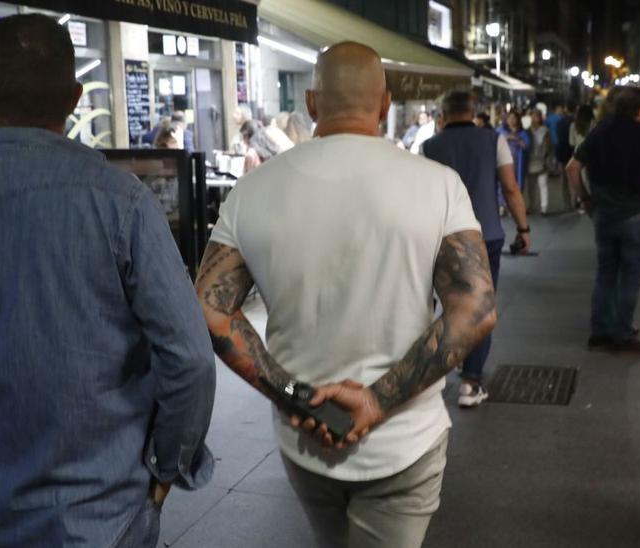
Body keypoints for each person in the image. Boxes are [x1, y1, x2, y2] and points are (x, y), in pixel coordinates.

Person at [0, 14, 216, 547]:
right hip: (108, 506)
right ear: (75, 99)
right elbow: (188, 359)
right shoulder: (123, 202)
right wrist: (169, 464)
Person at [194, 41, 496, 548]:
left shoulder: (252, 191)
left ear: (312, 104)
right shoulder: (438, 185)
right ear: (385, 103)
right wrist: (376, 401)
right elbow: (477, 307)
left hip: (304, 437)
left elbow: (209, 308)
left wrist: (296, 397)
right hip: (406, 440)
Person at [422, 91, 532, 408]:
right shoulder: (493, 140)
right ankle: (470, 382)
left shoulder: (430, 146)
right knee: (480, 307)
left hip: (439, 235)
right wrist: (523, 228)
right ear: (473, 111)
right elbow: (510, 187)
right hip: (486, 234)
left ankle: (435, 371)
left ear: (443, 113)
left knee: (444, 305)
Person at [566, 86, 640, 356]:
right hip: (638, 216)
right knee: (631, 279)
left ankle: (599, 331)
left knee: (606, 275)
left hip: (604, 217)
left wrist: (586, 199)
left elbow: (572, 168)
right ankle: (623, 333)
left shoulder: (598, 132)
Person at [525, 109, 553, 214]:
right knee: (531, 186)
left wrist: (547, 157)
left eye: (537, 116)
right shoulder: (526, 130)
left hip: (542, 160)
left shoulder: (544, 130)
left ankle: (544, 207)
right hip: (530, 160)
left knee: (543, 184)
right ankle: (532, 205)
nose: (534, 118)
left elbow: (549, 146)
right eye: (533, 116)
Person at [498, 111, 531, 193]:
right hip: (504, 164)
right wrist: (507, 137)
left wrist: (517, 139)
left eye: (514, 118)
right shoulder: (500, 131)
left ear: (518, 120)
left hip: (518, 165)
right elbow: (495, 143)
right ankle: (503, 204)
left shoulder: (523, 133)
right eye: (509, 118)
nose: (511, 120)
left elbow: (526, 147)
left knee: (517, 187)